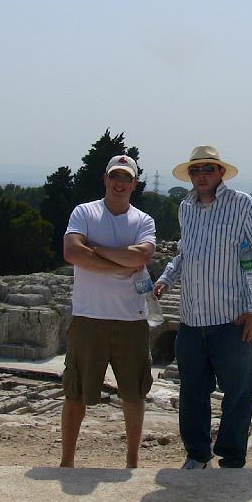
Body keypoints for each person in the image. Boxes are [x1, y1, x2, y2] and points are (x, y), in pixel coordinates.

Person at [154, 145, 252, 469]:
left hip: (231, 319)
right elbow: (184, 252)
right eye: (196, 170)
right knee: (192, 392)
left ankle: (232, 457)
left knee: (237, 392)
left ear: (220, 173)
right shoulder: (186, 208)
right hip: (191, 319)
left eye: (208, 169)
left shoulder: (242, 205)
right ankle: (197, 453)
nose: (201, 175)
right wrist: (166, 278)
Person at [59, 154, 156, 469]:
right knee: (75, 393)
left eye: (126, 178)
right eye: (115, 176)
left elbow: (141, 256)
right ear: (105, 179)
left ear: (134, 184)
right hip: (89, 318)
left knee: (133, 393)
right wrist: (118, 260)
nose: (120, 183)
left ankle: (132, 461)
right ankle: (67, 462)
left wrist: (95, 250)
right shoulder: (85, 212)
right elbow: (72, 251)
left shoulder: (143, 220)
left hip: (131, 320)